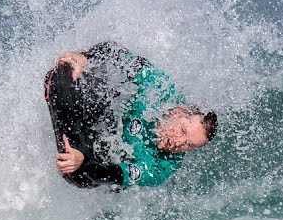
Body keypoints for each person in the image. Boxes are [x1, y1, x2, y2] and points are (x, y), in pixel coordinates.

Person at [43, 41, 217, 189]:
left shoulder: (160, 167)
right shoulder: (158, 88)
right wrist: (85, 57)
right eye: (183, 131)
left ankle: (76, 155)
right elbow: (114, 51)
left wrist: (83, 162)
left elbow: (110, 175)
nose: (178, 142)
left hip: (98, 164)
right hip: (110, 120)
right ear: (178, 113)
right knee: (95, 82)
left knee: (81, 171)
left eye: (188, 145)